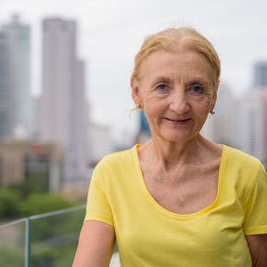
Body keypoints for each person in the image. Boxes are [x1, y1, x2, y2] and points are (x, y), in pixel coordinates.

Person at [73, 27, 267, 266]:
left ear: (213, 96)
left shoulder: (248, 173)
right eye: (162, 86)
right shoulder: (110, 173)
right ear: (136, 92)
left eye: (196, 88)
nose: (179, 106)